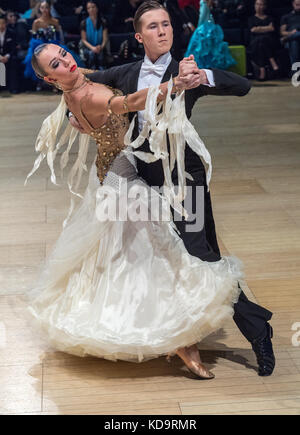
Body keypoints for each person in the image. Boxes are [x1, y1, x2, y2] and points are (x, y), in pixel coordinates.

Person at [68, 1, 275, 377]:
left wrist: (204, 78)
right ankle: (175, 334)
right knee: (157, 257)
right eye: (153, 26)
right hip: (144, 178)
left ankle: (259, 330)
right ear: (139, 36)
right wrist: (73, 112)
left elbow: (242, 86)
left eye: (166, 24)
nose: (162, 31)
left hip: (184, 179)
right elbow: (86, 81)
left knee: (201, 255)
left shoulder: (186, 70)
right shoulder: (127, 73)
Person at [25, 40, 246, 379]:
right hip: (124, 176)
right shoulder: (87, 95)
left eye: (64, 54)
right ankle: (180, 338)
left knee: (129, 256)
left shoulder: (77, 84)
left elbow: (85, 83)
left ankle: (168, 331)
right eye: (55, 65)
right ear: (50, 80)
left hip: (113, 172)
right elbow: (128, 102)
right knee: (158, 254)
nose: (66, 62)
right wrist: (173, 84)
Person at [23, 0, 83, 89]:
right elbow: (34, 38)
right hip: (39, 46)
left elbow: (60, 37)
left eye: (46, 7)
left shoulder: (55, 21)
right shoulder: (36, 22)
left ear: (49, 8)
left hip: (53, 45)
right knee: (32, 59)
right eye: (42, 8)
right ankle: (40, 82)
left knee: (61, 57)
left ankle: (58, 82)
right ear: (40, 9)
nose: (44, 10)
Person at [184, 0, 237, 69]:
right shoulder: (208, 3)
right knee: (210, 48)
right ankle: (211, 67)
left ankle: (204, 67)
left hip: (204, 28)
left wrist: (199, 28)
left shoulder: (203, 2)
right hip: (210, 27)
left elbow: (202, 16)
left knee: (203, 48)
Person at [248, 0, 280, 81]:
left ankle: (262, 70)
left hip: (270, 41)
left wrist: (259, 28)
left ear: (265, 6)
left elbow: (272, 28)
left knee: (262, 41)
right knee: (260, 41)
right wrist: (266, 28)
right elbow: (252, 30)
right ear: (254, 5)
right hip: (254, 42)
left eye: (261, 5)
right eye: (257, 4)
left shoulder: (270, 18)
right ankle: (272, 62)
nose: (259, 6)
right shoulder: (251, 19)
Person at [79, 1, 109, 70]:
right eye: (89, 8)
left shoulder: (103, 21)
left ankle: (102, 71)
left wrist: (101, 47)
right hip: (88, 47)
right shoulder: (83, 23)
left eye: (93, 7)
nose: (91, 9)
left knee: (100, 54)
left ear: (97, 8)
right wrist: (93, 48)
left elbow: (105, 39)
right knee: (91, 54)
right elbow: (83, 40)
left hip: (100, 47)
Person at [0, 13, 19, 93]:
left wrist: (7, 56)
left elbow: (14, 48)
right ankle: (1, 87)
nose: (1, 25)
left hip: (9, 56)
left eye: (3, 23)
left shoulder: (12, 33)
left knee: (14, 61)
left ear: (6, 23)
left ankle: (13, 88)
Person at [280, 0, 300, 69]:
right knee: (294, 42)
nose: (298, 7)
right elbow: (282, 32)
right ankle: (296, 73)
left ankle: (295, 73)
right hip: (292, 41)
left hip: (289, 39)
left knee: (295, 38)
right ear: (293, 4)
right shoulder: (286, 17)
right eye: (297, 4)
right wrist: (291, 33)